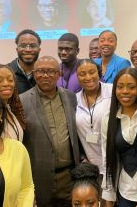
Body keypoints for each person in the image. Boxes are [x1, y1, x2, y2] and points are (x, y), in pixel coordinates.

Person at [20, 56, 80, 206]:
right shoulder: (22, 101)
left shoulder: (70, 97)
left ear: (59, 74)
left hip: (69, 177)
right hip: (39, 179)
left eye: (51, 71)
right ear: (34, 74)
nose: (45, 75)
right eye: (40, 71)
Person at [101, 68, 137, 206]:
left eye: (131, 87)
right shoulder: (108, 119)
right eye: (120, 87)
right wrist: (109, 196)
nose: (125, 92)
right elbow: (107, 158)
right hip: (125, 190)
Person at [76, 59, 112, 175]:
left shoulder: (112, 91)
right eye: (82, 74)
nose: (88, 77)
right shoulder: (74, 99)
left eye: (92, 72)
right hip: (90, 168)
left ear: (99, 72)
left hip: (114, 163)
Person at [7, 29, 41, 94]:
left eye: (33, 46)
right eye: (23, 46)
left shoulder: (45, 73)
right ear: (17, 49)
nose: (28, 50)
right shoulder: (5, 71)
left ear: (39, 49)